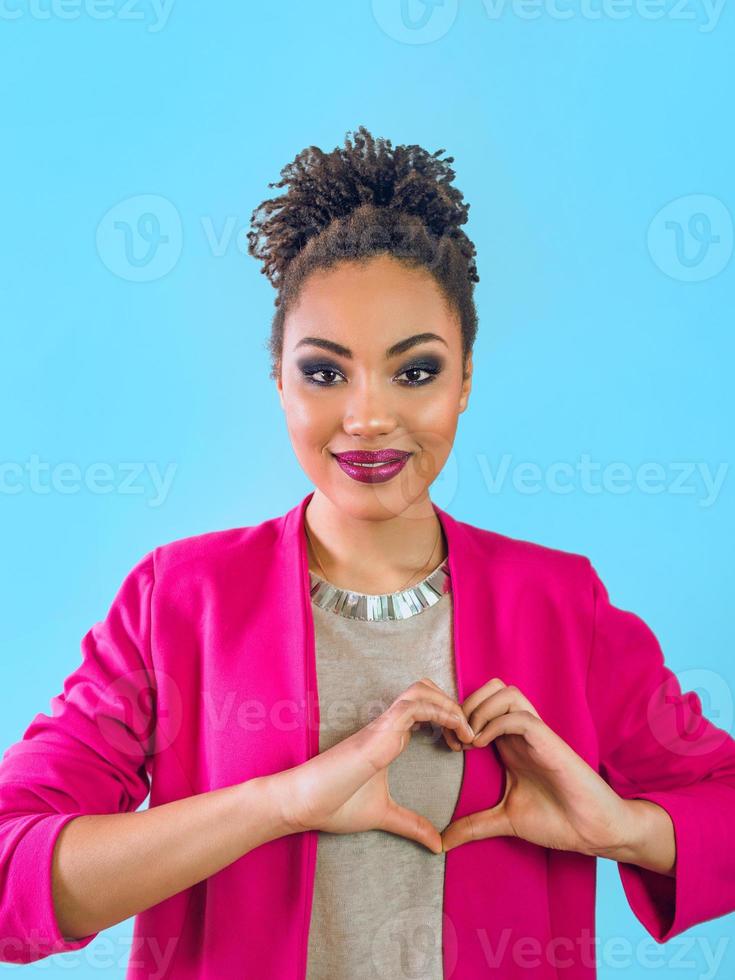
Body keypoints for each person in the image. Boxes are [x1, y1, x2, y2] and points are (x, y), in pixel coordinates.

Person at [1, 126, 734, 979]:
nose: (367, 417)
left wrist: (623, 828)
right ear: (277, 378)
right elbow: (14, 868)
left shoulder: (560, 604)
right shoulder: (179, 600)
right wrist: (280, 802)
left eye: (414, 372)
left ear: (464, 381)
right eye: (325, 372)